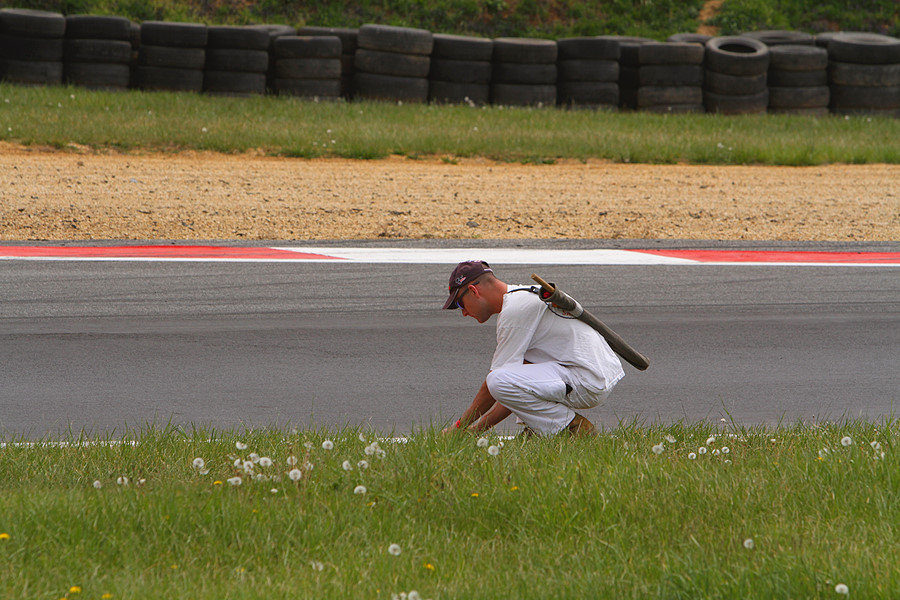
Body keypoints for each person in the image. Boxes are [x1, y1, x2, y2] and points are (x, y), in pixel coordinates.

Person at [442, 260, 624, 436]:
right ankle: (539, 430)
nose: (464, 313)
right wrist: (474, 431)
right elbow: (513, 391)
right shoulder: (521, 297)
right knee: (510, 377)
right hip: (589, 375)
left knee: (497, 380)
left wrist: (458, 428)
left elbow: (495, 387)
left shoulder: (515, 310)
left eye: (460, 304)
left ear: (473, 291)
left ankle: (573, 428)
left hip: (586, 380)